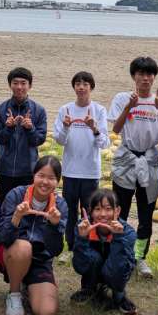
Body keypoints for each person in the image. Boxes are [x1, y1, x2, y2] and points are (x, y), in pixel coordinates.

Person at [107, 56, 158, 279]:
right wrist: (129, 107)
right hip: (126, 158)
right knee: (120, 209)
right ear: (133, 76)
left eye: (149, 74)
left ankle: (139, 256)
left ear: (154, 77)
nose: (145, 78)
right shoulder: (122, 98)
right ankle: (120, 251)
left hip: (150, 159)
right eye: (141, 74)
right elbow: (116, 129)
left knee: (146, 213)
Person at [0, 155, 68, 315]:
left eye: (51, 178)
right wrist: (16, 218)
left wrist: (54, 226)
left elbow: (55, 250)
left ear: (57, 182)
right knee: (24, 247)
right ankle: (14, 293)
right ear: (33, 175)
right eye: (41, 175)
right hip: (13, 254)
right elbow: (2, 238)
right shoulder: (16, 195)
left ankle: (28, 285)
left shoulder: (60, 205)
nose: (45, 182)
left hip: (40, 261)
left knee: (47, 313)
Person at [53, 71, 110, 250]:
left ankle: (87, 246)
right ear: (74, 87)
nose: (81, 87)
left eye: (85, 84)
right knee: (69, 212)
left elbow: (104, 143)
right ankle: (70, 246)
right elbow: (60, 140)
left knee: (90, 211)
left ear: (91, 87)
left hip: (90, 172)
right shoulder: (65, 110)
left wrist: (94, 128)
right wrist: (65, 127)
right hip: (70, 171)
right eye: (78, 84)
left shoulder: (99, 110)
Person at [71, 188, 136, 314]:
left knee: (119, 265)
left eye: (108, 209)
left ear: (117, 210)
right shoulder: (83, 227)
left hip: (114, 271)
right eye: (97, 209)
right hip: (93, 268)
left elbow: (124, 267)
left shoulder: (127, 232)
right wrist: (82, 238)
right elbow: (80, 266)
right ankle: (89, 288)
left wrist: (118, 237)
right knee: (93, 258)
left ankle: (119, 293)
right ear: (90, 211)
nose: (103, 214)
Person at [0, 67, 47, 202]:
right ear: (10, 85)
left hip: (28, 169)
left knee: (26, 206)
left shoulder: (39, 110)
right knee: (5, 206)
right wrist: (8, 128)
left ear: (30, 86)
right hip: (5, 169)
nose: (19, 87)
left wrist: (30, 129)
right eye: (15, 83)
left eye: (23, 83)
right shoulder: (0, 109)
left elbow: (39, 140)